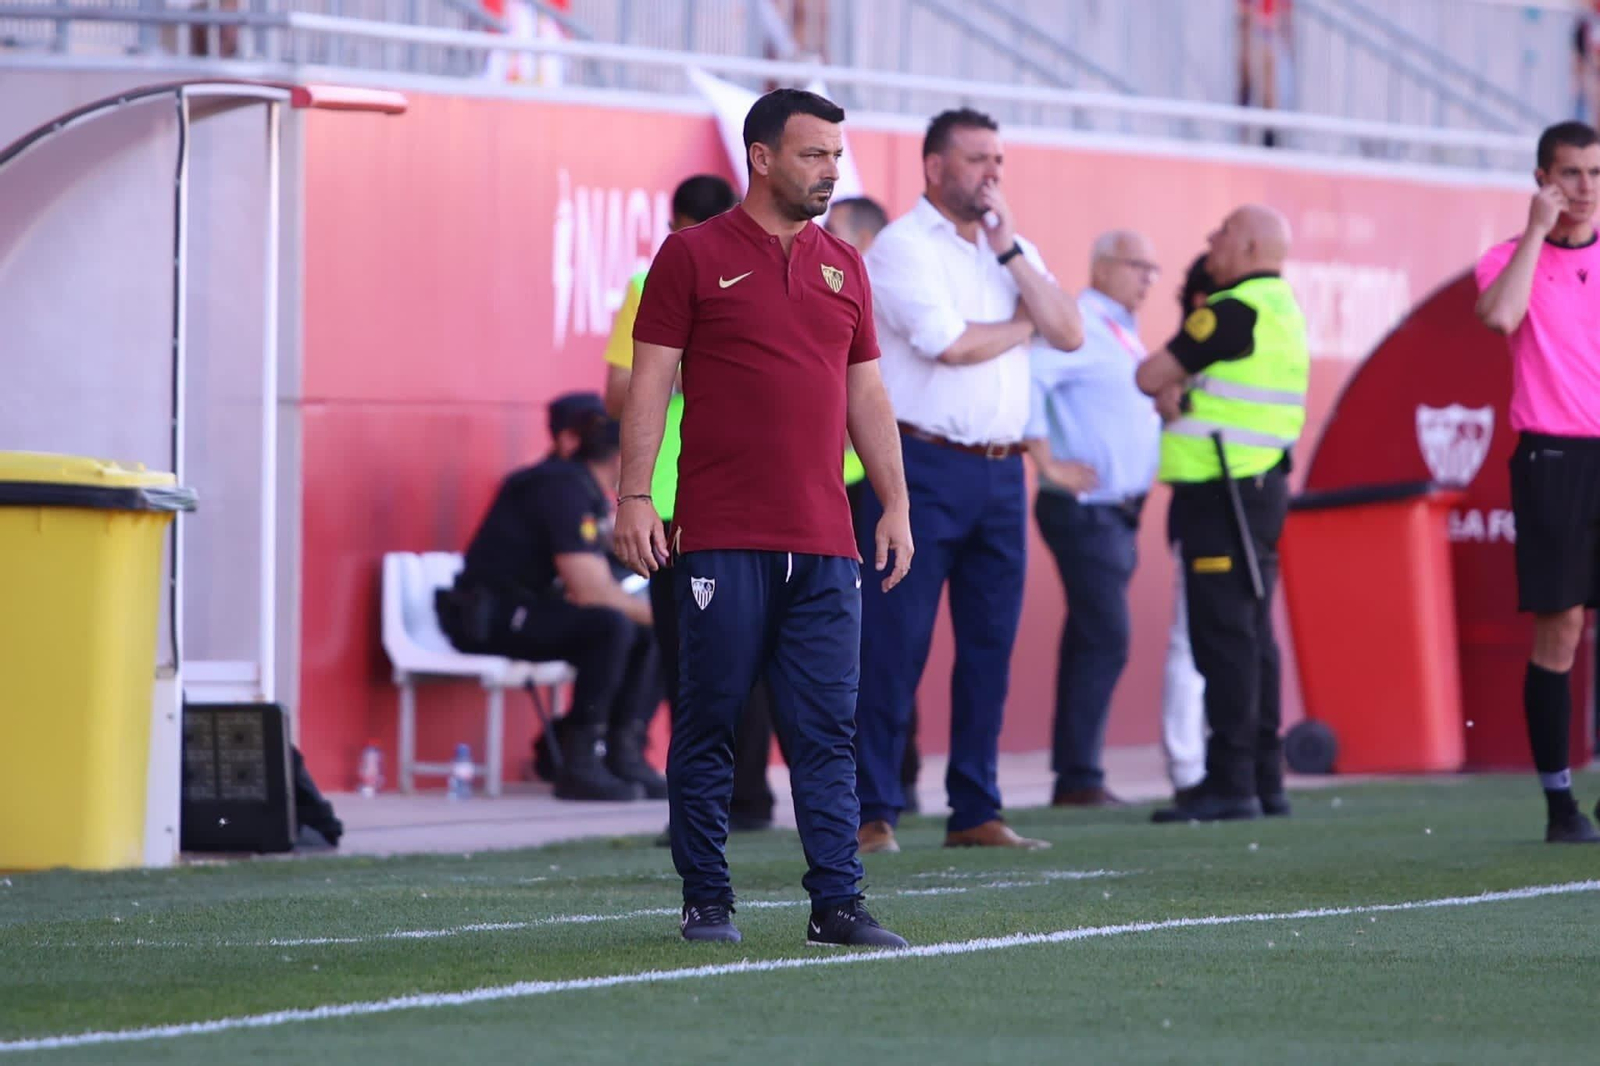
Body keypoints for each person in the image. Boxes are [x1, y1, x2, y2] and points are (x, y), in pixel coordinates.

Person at [616, 88, 914, 947]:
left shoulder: (844, 264)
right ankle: (707, 899)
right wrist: (636, 497)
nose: (831, 170)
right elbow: (651, 385)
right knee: (709, 722)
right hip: (718, 535)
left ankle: (837, 905)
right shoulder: (690, 255)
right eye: (814, 153)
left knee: (826, 731)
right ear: (761, 156)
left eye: (835, 154)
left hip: (826, 543)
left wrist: (893, 502)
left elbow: (867, 392)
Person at [854, 107, 1083, 854]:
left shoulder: (1009, 246)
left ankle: (975, 809)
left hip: (999, 473)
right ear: (934, 168)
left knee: (990, 645)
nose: (993, 173)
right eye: (978, 158)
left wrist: (1012, 252)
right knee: (895, 644)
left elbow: (1070, 330)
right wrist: (1025, 325)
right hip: (920, 466)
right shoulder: (899, 248)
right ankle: (870, 811)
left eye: (999, 160)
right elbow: (949, 347)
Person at [599, 174, 782, 832]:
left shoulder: (656, 284)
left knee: (696, 662)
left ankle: (713, 808)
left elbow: (619, 395)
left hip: (677, 501)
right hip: (741, 498)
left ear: (676, 223)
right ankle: (743, 801)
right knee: (748, 655)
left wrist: (677, 359)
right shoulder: (769, 272)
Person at [1135, 204, 1308, 824]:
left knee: (1224, 640)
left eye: (1224, 233)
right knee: (1253, 635)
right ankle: (1263, 779)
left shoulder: (1232, 310)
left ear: (1255, 245)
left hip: (1222, 490)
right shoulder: (1283, 307)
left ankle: (1231, 782)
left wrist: (1170, 389)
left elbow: (1149, 373)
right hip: (1258, 487)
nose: (1212, 241)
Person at [1473, 120, 1600, 844]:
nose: (1584, 189)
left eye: (1595, 174)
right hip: (1553, 458)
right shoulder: (1503, 259)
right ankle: (1560, 805)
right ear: (1542, 181)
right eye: (1570, 175)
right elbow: (1500, 316)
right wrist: (1535, 234)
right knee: (1561, 631)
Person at [439, 392, 660, 803]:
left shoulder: (582, 488)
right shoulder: (558, 486)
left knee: (643, 631)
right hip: (490, 617)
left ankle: (622, 753)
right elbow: (591, 591)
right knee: (613, 626)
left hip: (526, 610)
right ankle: (577, 764)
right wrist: (666, 615)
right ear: (620, 459)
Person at [1026, 229, 1163, 808]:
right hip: (1084, 510)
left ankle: (1077, 772)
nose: (1148, 278)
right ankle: (1079, 775)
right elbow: (1030, 375)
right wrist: (1045, 460)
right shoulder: (1081, 322)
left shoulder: (1120, 331)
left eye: (1152, 269)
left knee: (1093, 636)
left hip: (1119, 514)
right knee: (1105, 635)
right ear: (1104, 266)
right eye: (1138, 266)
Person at [825, 193, 926, 810]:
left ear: (867, 242)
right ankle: (877, 790)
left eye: (836, 231)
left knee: (882, 639)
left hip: (862, 482)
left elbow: (865, 395)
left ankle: (892, 784)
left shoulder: (868, 289)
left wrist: (894, 499)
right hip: (826, 481)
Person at [1161, 253, 1216, 804]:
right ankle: (1187, 766)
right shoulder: (1191, 349)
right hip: (1200, 506)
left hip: (1228, 504)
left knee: (1218, 642)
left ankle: (1208, 760)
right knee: (1188, 643)